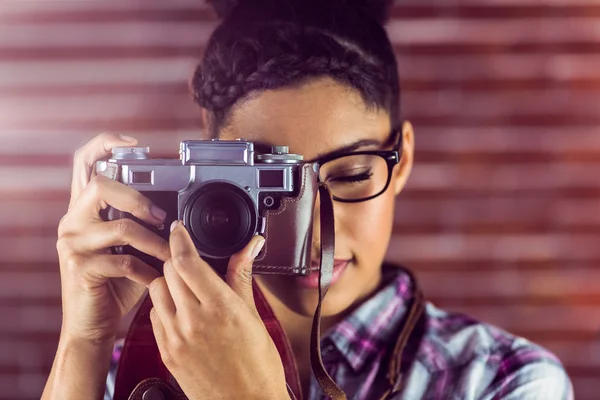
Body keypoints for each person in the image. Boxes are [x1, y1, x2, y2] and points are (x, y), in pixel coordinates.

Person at [42, 0, 574, 399]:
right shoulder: (130, 373)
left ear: (403, 157)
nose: (316, 233)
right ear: (206, 174)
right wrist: (84, 341)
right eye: (273, 187)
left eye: (351, 175)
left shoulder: (503, 380)